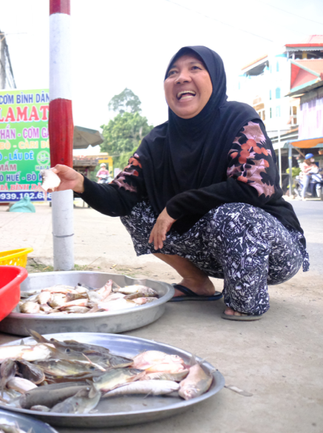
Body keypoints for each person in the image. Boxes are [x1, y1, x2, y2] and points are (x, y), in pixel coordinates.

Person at [52, 46, 308, 321]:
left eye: (194, 68)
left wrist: (176, 205)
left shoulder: (239, 118)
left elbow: (254, 187)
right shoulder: (157, 141)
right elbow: (120, 198)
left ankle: (248, 300)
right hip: (211, 249)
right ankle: (197, 283)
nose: (181, 77)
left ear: (216, 79)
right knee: (137, 212)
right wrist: (82, 184)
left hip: (274, 252)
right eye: (172, 72)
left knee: (233, 214)